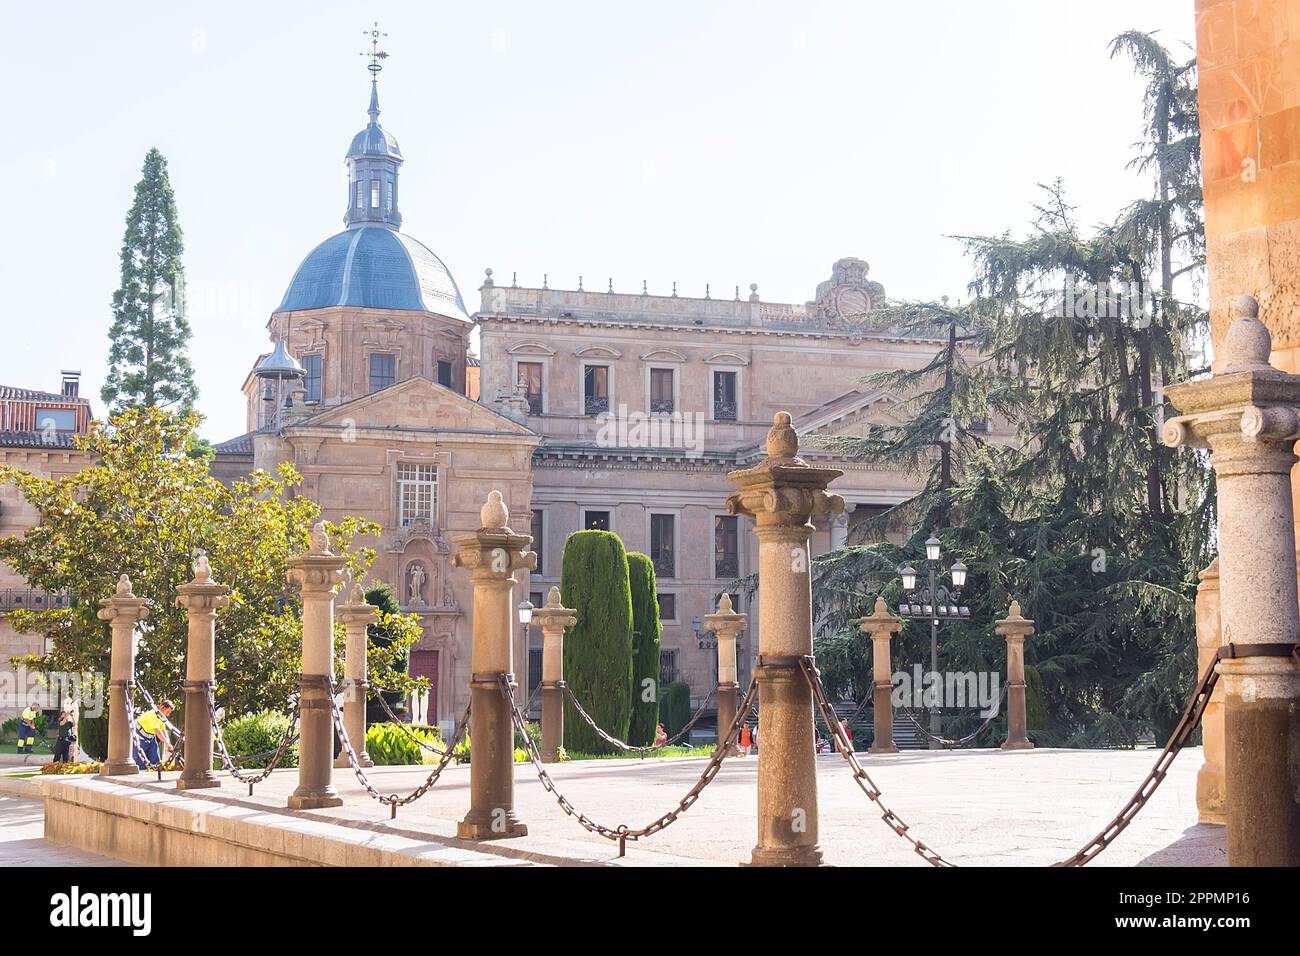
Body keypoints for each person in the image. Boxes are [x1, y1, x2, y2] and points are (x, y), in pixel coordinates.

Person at [134, 699, 175, 769]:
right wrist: (167, 743)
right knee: (141, 761)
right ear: (162, 708)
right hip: (141, 738)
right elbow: (157, 731)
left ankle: (155, 773)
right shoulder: (152, 714)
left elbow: (163, 730)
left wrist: (168, 744)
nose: (168, 714)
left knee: (155, 759)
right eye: (167, 712)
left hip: (151, 738)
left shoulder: (162, 717)